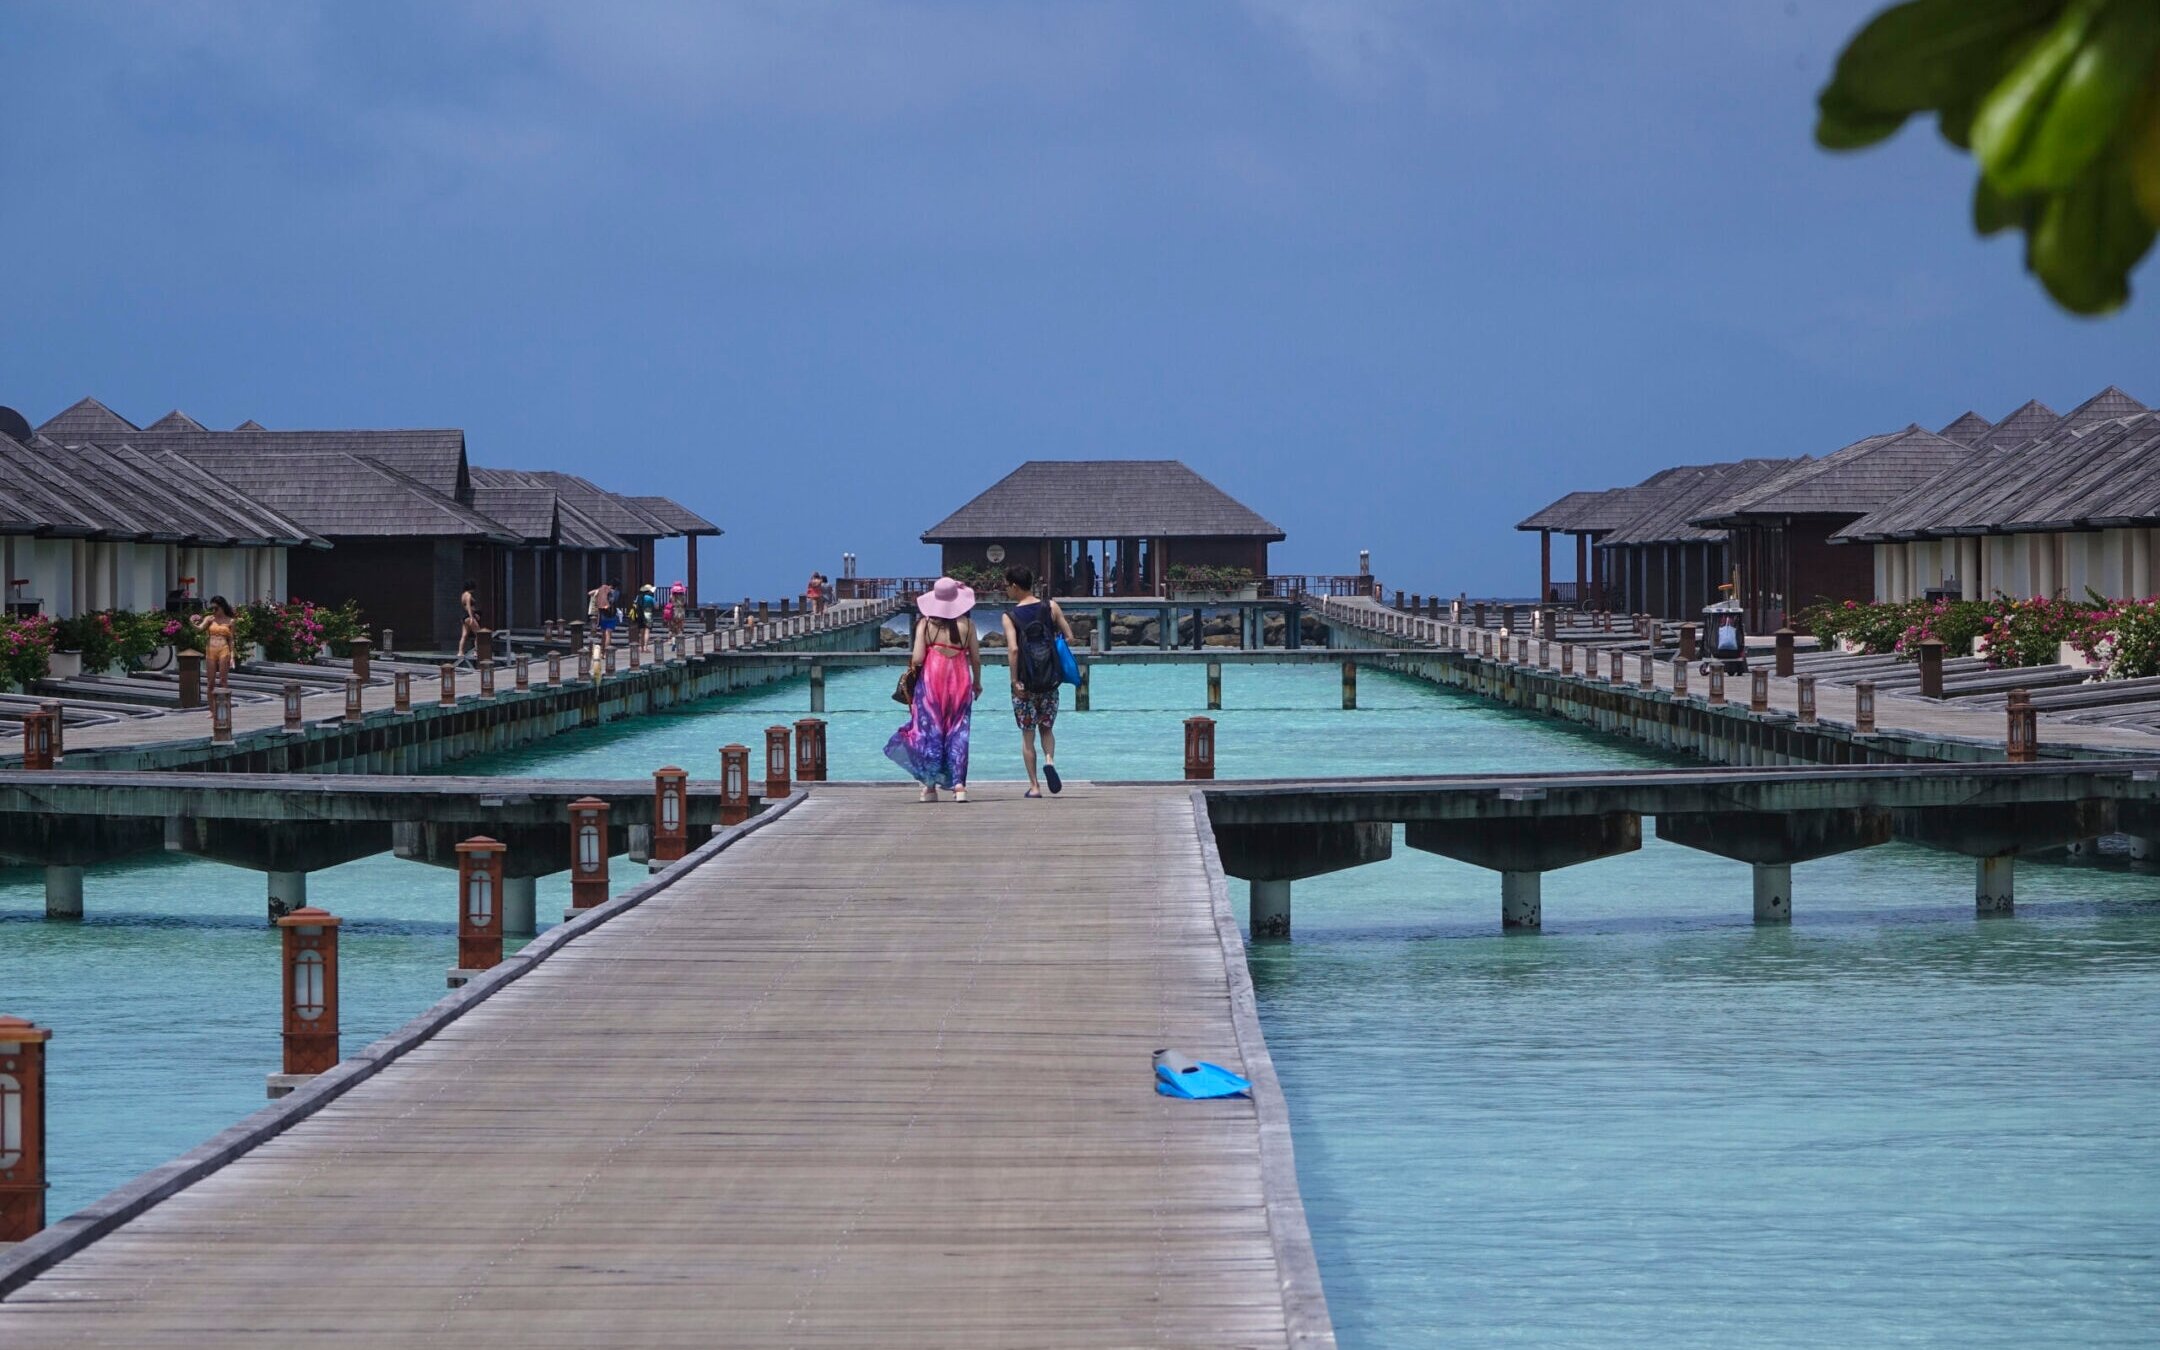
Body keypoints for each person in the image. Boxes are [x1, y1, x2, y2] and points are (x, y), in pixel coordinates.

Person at [885, 576, 982, 803]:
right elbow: (975, 659)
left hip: (931, 682)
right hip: (960, 681)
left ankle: (929, 787)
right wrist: (977, 683)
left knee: (930, 732)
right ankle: (959, 786)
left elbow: (918, 658)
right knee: (959, 731)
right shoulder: (968, 626)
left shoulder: (925, 624)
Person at [1000, 565, 1076, 798]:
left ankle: (1034, 786)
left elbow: (1013, 649)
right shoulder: (1051, 606)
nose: (1006, 590)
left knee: (1027, 734)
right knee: (1047, 728)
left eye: (1006, 586)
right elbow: (1070, 637)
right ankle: (1050, 761)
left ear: (1014, 585)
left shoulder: (1010, 616)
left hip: (1025, 682)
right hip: (1050, 680)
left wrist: (1015, 681)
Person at [190, 595, 239, 700]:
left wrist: (232, 656)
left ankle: (225, 707)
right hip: (211, 649)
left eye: (216, 608)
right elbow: (200, 628)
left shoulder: (230, 621)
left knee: (223, 680)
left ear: (222, 607)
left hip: (223, 649)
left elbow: (231, 639)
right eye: (211, 608)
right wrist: (192, 623)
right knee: (210, 681)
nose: (213, 610)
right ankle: (212, 710)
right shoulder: (210, 619)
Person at [454, 581, 482, 666]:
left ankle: (460, 651)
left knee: (464, 635)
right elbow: (469, 607)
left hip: (464, 616)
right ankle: (476, 651)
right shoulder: (469, 595)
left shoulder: (463, 595)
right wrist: (472, 617)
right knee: (479, 634)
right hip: (469, 616)